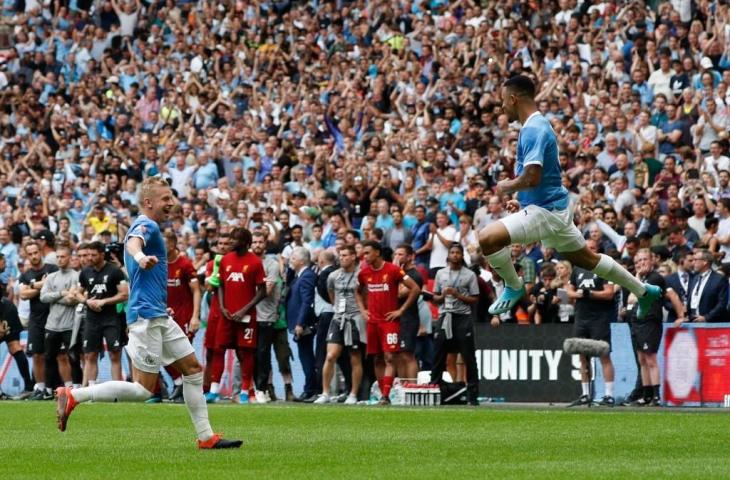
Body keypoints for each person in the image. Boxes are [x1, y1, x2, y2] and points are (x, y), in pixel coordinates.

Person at [55, 177, 242, 449]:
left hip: (157, 314)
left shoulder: (149, 226)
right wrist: (141, 257)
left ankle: (206, 437)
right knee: (143, 390)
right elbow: (133, 242)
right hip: (146, 317)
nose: (171, 203)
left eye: (171, 197)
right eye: (166, 198)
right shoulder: (148, 225)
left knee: (192, 369)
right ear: (148, 202)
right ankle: (74, 395)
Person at [477, 76, 661, 320]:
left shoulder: (533, 129)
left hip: (546, 212)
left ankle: (513, 284)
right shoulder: (536, 125)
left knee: (487, 238)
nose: (501, 107)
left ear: (513, 99)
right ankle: (643, 290)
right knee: (587, 258)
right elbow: (545, 176)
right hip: (552, 209)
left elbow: (531, 177)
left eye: (502, 101)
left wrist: (507, 186)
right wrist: (522, 200)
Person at [356, 240, 420, 405]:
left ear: (377, 252)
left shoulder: (392, 270)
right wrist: (363, 310)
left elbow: (415, 288)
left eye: (367, 253)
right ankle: (383, 392)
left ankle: (385, 395)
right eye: (363, 253)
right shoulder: (364, 273)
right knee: (377, 358)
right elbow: (356, 291)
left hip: (390, 322)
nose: (365, 256)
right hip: (373, 322)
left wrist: (401, 310)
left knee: (390, 357)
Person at [627, 249, 685, 406]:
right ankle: (646, 395)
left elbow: (633, 297)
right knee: (642, 359)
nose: (641, 263)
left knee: (650, 358)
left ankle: (656, 395)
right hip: (637, 322)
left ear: (652, 260)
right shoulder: (643, 278)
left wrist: (681, 316)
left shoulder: (655, 278)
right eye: (638, 261)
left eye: (644, 259)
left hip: (650, 321)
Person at [214, 227, 266, 404]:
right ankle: (214, 390)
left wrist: (245, 309)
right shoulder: (225, 260)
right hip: (227, 315)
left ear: (244, 242)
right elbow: (219, 285)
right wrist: (222, 306)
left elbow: (262, 291)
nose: (230, 242)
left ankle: (245, 391)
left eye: (234, 240)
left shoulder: (255, 262)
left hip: (246, 317)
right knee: (219, 348)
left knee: (244, 353)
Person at [565, 239, 618, 407]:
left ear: (597, 250)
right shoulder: (577, 268)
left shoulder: (604, 268)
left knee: (604, 355)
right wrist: (581, 295)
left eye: (592, 248)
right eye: (585, 248)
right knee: (582, 357)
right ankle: (585, 394)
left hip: (599, 318)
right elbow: (568, 292)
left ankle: (609, 395)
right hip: (581, 317)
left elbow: (609, 293)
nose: (588, 250)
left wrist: (590, 294)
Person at [429, 243, 480, 405]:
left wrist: (458, 295)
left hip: (462, 318)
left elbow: (475, 299)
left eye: (458, 252)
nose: (455, 255)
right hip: (445, 317)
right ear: (448, 255)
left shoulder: (470, 275)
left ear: (462, 255)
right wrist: (442, 296)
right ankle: (434, 390)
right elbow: (434, 298)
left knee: (468, 357)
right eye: (452, 252)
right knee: (438, 356)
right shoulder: (440, 273)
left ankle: (473, 395)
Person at [314, 245, 364, 405]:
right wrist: (337, 309)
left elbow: (365, 295)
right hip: (338, 318)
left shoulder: (360, 275)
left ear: (353, 257)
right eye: (340, 255)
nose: (342, 258)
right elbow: (331, 295)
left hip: (355, 318)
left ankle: (353, 393)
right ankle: (325, 392)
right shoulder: (333, 276)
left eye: (345, 255)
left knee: (355, 357)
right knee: (330, 356)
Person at [77, 241, 128, 385]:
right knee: (90, 355)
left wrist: (103, 302)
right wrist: (87, 302)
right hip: (92, 319)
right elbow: (77, 293)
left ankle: (117, 390)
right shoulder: (85, 272)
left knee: (114, 354)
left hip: (111, 318)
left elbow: (124, 295)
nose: (89, 258)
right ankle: (92, 390)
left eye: (93, 255)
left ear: (101, 254)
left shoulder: (114, 271)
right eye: (88, 255)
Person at [162, 229, 201, 402]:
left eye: (162, 243)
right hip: (165, 316)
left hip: (184, 317)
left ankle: (189, 391)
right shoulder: (159, 263)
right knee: (160, 352)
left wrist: (195, 316)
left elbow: (196, 290)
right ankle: (179, 382)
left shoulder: (185, 264)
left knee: (182, 355)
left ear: (171, 244)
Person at [18, 241, 59, 400]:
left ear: (40, 251)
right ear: (27, 255)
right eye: (30, 254)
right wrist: (43, 285)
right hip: (35, 319)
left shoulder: (52, 268)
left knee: (58, 355)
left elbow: (55, 287)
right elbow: (23, 295)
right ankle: (40, 388)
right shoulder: (25, 274)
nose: (34, 256)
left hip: (55, 317)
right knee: (37, 354)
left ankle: (57, 387)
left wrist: (32, 286)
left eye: (36, 252)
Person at [39, 245, 81, 391]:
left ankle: (76, 388)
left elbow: (73, 299)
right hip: (52, 325)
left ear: (69, 258)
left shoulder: (76, 276)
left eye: (62, 257)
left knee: (73, 358)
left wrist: (56, 296)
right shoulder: (51, 277)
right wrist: (61, 293)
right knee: (49, 358)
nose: (59, 259)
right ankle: (48, 390)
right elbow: (43, 297)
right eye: (57, 257)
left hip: (70, 325)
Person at [286, 246, 319, 402]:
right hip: (298, 322)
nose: (289, 261)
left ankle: (310, 389)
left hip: (304, 324)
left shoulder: (307, 276)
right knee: (304, 356)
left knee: (306, 357)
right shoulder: (298, 275)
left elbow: (307, 302)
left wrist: (300, 323)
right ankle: (310, 387)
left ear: (300, 260)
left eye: (292, 258)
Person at [392, 244, 423, 379]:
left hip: (408, 318)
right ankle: (402, 387)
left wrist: (397, 271)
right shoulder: (397, 273)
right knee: (397, 354)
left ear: (410, 257)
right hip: (395, 318)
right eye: (396, 254)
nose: (397, 257)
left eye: (400, 254)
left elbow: (399, 293)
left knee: (407, 354)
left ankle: (411, 387)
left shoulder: (415, 275)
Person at [0, 295, 33, 399]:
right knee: (14, 346)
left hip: (4, 310)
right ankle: (29, 387)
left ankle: (29, 387)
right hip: (8, 308)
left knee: (14, 346)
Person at [685, 249, 729, 323]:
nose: (693, 263)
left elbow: (722, 303)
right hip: (693, 322)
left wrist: (706, 317)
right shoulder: (695, 278)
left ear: (705, 262)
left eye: (695, 260)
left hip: (712, 323)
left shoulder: (719, 279)